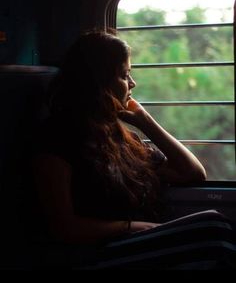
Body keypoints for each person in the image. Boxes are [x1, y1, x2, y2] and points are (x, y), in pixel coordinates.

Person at [29, 29, 236, 269]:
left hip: (133, 243)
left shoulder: (123, 139)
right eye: (125, 75)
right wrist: (131, 227)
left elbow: (192, 173)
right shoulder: (55, 137)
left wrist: (146, 121)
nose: (132, 83)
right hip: (92, 255)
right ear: (98, 81)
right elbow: (63, 227)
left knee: (216, 229)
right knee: (213, 230)